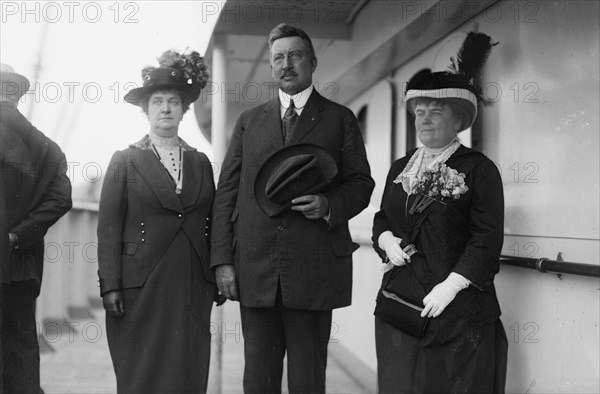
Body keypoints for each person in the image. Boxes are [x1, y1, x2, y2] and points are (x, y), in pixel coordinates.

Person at [210, 23, 374, 394]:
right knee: (258, 380)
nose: (286, 64)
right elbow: (227, 194)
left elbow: (362, 184)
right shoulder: (249, 122)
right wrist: (222, 260)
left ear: (312, 62)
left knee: (307, 380)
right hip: (256, 270)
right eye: (278, 58)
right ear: (271, 67)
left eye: (295, 55)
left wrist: (329, 204)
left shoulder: (339, 118)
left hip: (313, 271)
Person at [372, 32, 508, 393]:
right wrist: (386, 241)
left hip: (456, 314)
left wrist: (452, 285)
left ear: (458, 120)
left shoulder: (478, 169)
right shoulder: (401, 167)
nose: (425, 119)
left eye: (436, 112)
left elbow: (486, 239)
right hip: (400, 308)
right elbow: (383, 218)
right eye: (420, 112)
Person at [97, 50, 220, 394]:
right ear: (146, 110)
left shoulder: (201, 163)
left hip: (191, 283)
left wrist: (216, 272)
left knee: (187, 368)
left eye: (173, 102)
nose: (165, 108)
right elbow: (107, 228)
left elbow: (212, 220)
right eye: (157, 102)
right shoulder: (124, 160)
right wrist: (110, 285)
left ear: (184, 110)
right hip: (141, 285)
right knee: (141, 371)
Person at [1, 63, 72, 393]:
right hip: (21, 263)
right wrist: (18, 236)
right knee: (21, 350)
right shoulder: (48, 149)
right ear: (18, 94)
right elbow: (60, 200)